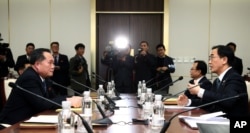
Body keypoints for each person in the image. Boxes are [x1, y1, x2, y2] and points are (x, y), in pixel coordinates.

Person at [0, 48, 82, 125]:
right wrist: (68, 101)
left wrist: (72, 98)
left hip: (29, 121)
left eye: (53, 63)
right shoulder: (29, 78)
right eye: (50, 63)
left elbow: (53, 98)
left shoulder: (44, 78)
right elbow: (41, 104)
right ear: (37, 64)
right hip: (12, 125)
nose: (53, 66)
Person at [177, 45, 249, 118]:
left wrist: (200, 91)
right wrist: (188, 102)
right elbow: (210, 102)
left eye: (212, 58)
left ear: (224, 60)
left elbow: (228, 101)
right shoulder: (217, 81)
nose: (209, 62)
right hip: (218, 121)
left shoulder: (234, 78)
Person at [0, 33, 15, 111]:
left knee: (3, 100)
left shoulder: (6, 50)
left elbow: (12, 64)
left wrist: (4, 59)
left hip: (2, 79)